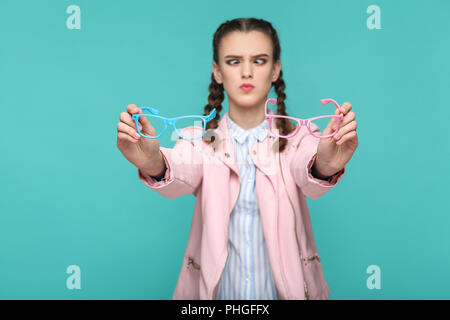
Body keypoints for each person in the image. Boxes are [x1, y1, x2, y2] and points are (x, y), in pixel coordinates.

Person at [116, 17, 358, 300]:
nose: (246, 72)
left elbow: (308, 168)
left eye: (259, 61)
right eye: (233, 61)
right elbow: (181, 169)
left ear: (275, 70)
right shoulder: (203, 139)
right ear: (217, 72)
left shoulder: (299, 138)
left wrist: (326, 164)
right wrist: (152, 162)